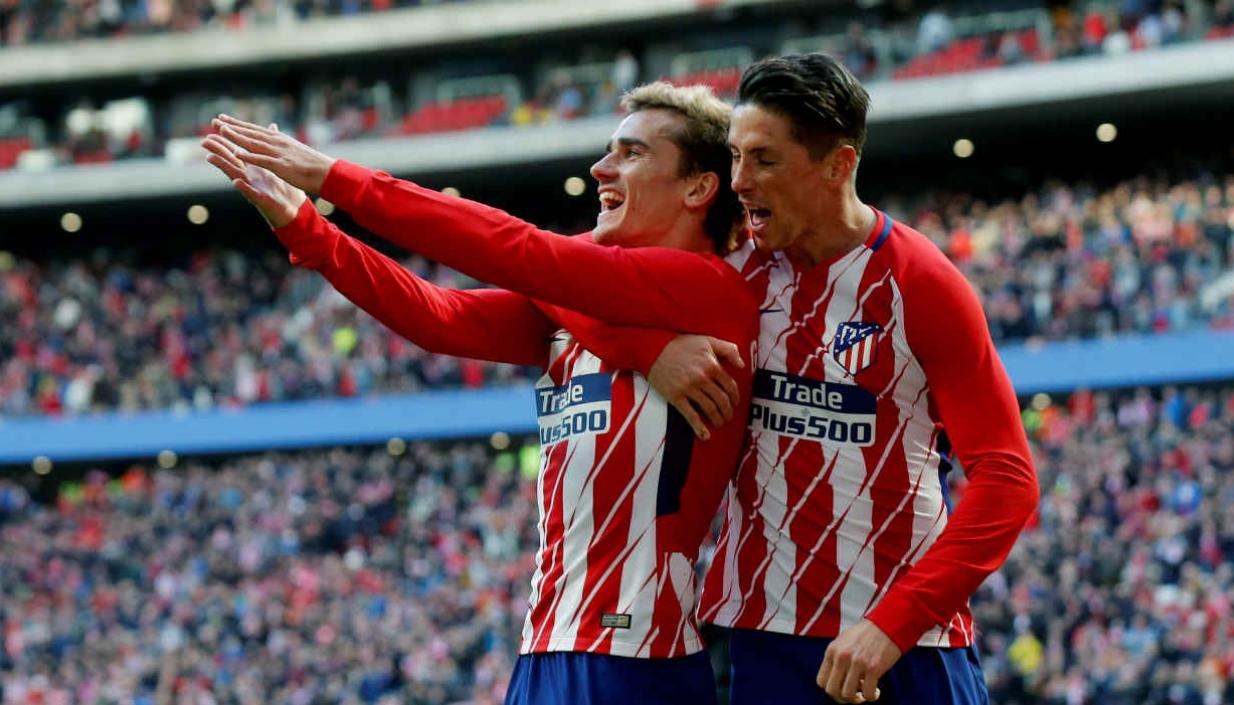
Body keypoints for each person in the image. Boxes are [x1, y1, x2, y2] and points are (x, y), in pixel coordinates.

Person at [203, 83, 759, 705]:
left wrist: (333, 177)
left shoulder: (710, 289)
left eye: (631, 154)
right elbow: (441, 318)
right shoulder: (585, 311)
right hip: (547, 643)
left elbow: (521, 254)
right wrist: (307, 229)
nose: (601, 168)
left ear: (698, 187)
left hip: (634, 655)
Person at [634, 54, 1040, 704]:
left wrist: (893, 621)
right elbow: (559, 286)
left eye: (764, 159)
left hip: (906, 645)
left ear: (838, 165)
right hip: (768, 642)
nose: (739, 180)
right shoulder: (729, 275)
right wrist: (648, 350)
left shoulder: (921, 282)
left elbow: (1008, 479)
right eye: (735, 156)